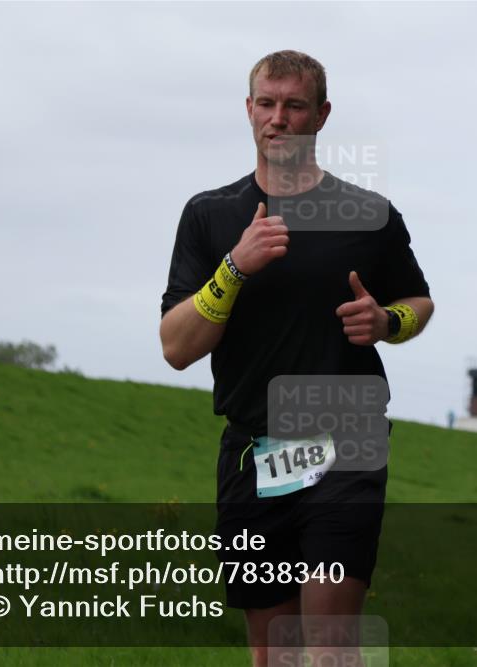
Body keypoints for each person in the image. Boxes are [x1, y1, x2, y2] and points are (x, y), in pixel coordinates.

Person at [159, 50, 434, 667]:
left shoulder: (371, 215)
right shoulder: (210, 215)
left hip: (347, 442)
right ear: (249, 110)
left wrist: (388, 321)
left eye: (294, 105)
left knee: (330, 648)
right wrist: (235, 267)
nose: (278, 118)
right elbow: (176, 347)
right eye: (266, 103)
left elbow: (420, 301)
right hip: (254, 451)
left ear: (322, 115)